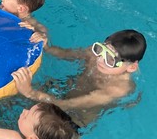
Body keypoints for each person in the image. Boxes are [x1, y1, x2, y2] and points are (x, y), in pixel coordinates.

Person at [12, 29, 146, 127]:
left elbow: (67, 105)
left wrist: (30, 93)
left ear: (131, 67)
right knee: (10, 101)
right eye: (100, 50)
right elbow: (64, 54)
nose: (100, 59)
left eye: (110, 60)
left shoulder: (118, 89)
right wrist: (45, 45)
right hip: (63, 89)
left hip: (73, 117)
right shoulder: (94, 55)